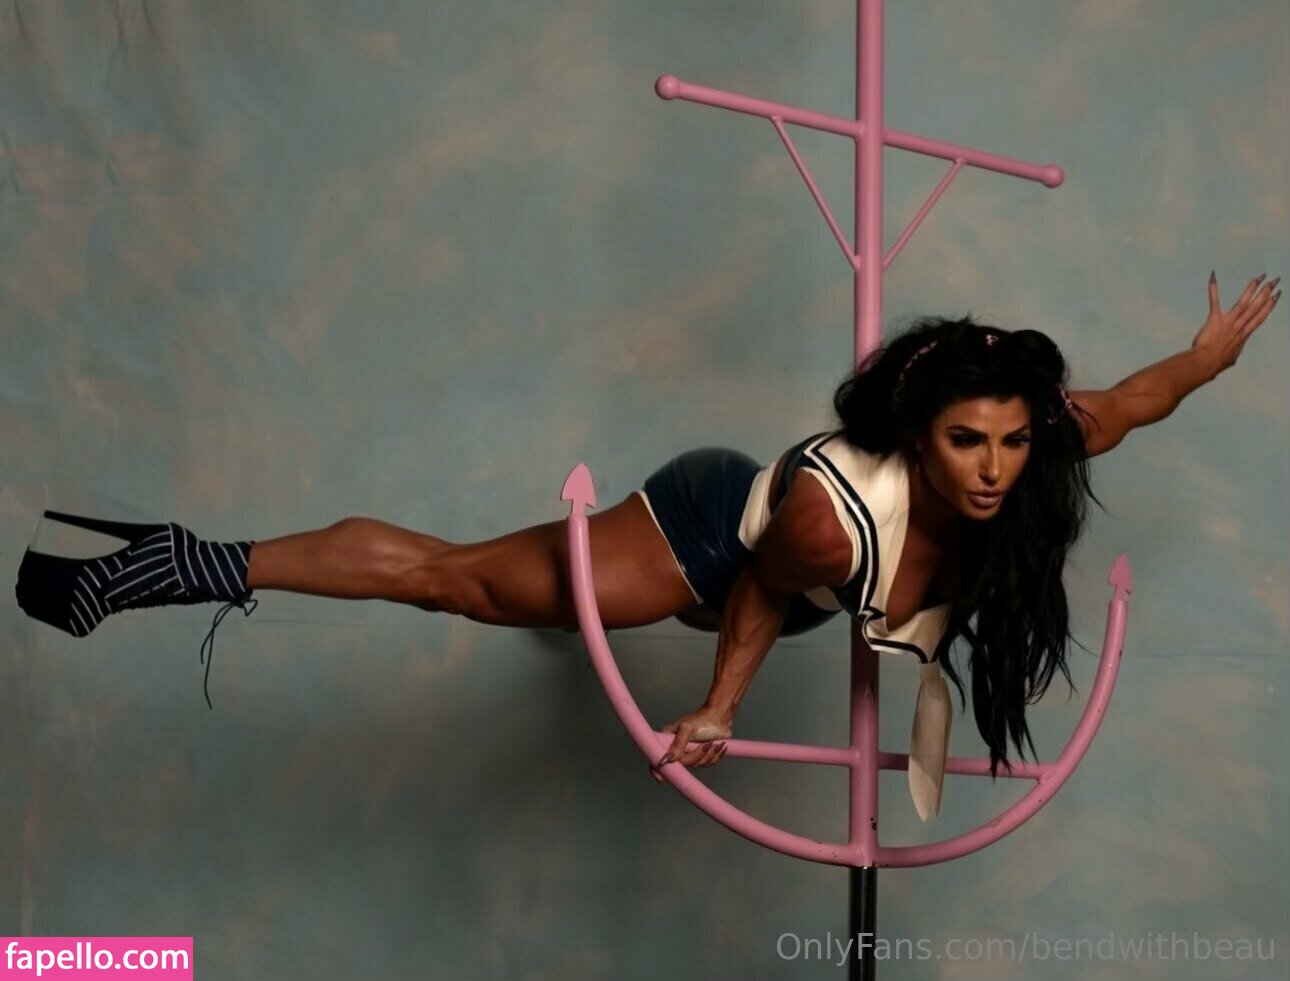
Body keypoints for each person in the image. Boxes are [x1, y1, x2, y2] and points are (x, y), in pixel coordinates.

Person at [14, 273, 1280, 811]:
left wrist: (1210, 357)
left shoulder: (1037, 444)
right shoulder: (826, 521)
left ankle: (559, 628)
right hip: (714, 537)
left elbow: (1141, 397)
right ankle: (175, 563)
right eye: (966, 445)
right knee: (459, 584)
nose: (996, 470)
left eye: (1009, 442)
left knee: (538, 601)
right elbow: (756, 598)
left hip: (784, 587)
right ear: (918, 434)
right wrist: (721, 711)